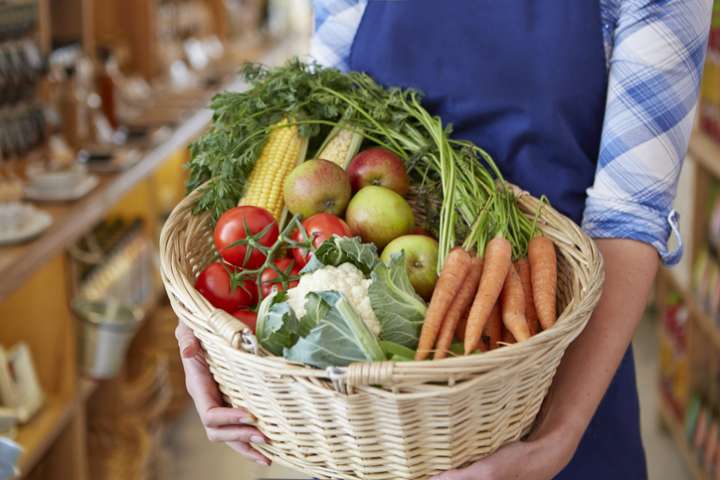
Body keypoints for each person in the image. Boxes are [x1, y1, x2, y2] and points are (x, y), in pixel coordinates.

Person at [175, 1, 712, 478]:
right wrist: (205, 342)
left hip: (564, 372)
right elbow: (317, 150)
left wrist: (553, 441)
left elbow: (628, 218)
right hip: (377, 420)